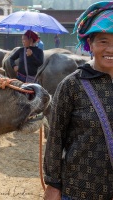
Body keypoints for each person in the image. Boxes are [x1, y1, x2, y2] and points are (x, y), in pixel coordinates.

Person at [43, 1, 113, 199]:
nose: (110, 49)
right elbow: (55, 138)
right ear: (90, 44)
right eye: (103, 41)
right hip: (79, 189)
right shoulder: (72, 85)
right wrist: (53, 185)